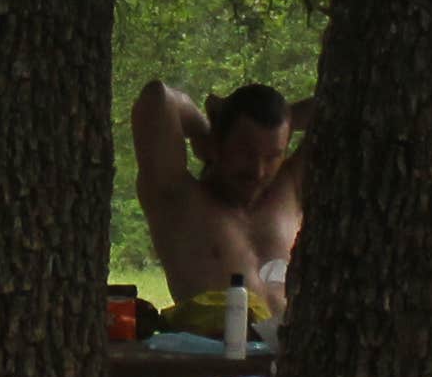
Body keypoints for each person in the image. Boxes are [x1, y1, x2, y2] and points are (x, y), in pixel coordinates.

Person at [129, 78, 310, 306]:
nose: (258, 170)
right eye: (245, 152)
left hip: (294, 331)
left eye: (272, 156)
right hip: (212, 331)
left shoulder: (290, 188)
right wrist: (203, 132)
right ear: (217, 143)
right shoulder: (178, 198)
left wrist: (286, 118)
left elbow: (339, 105)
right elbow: (157, 98)